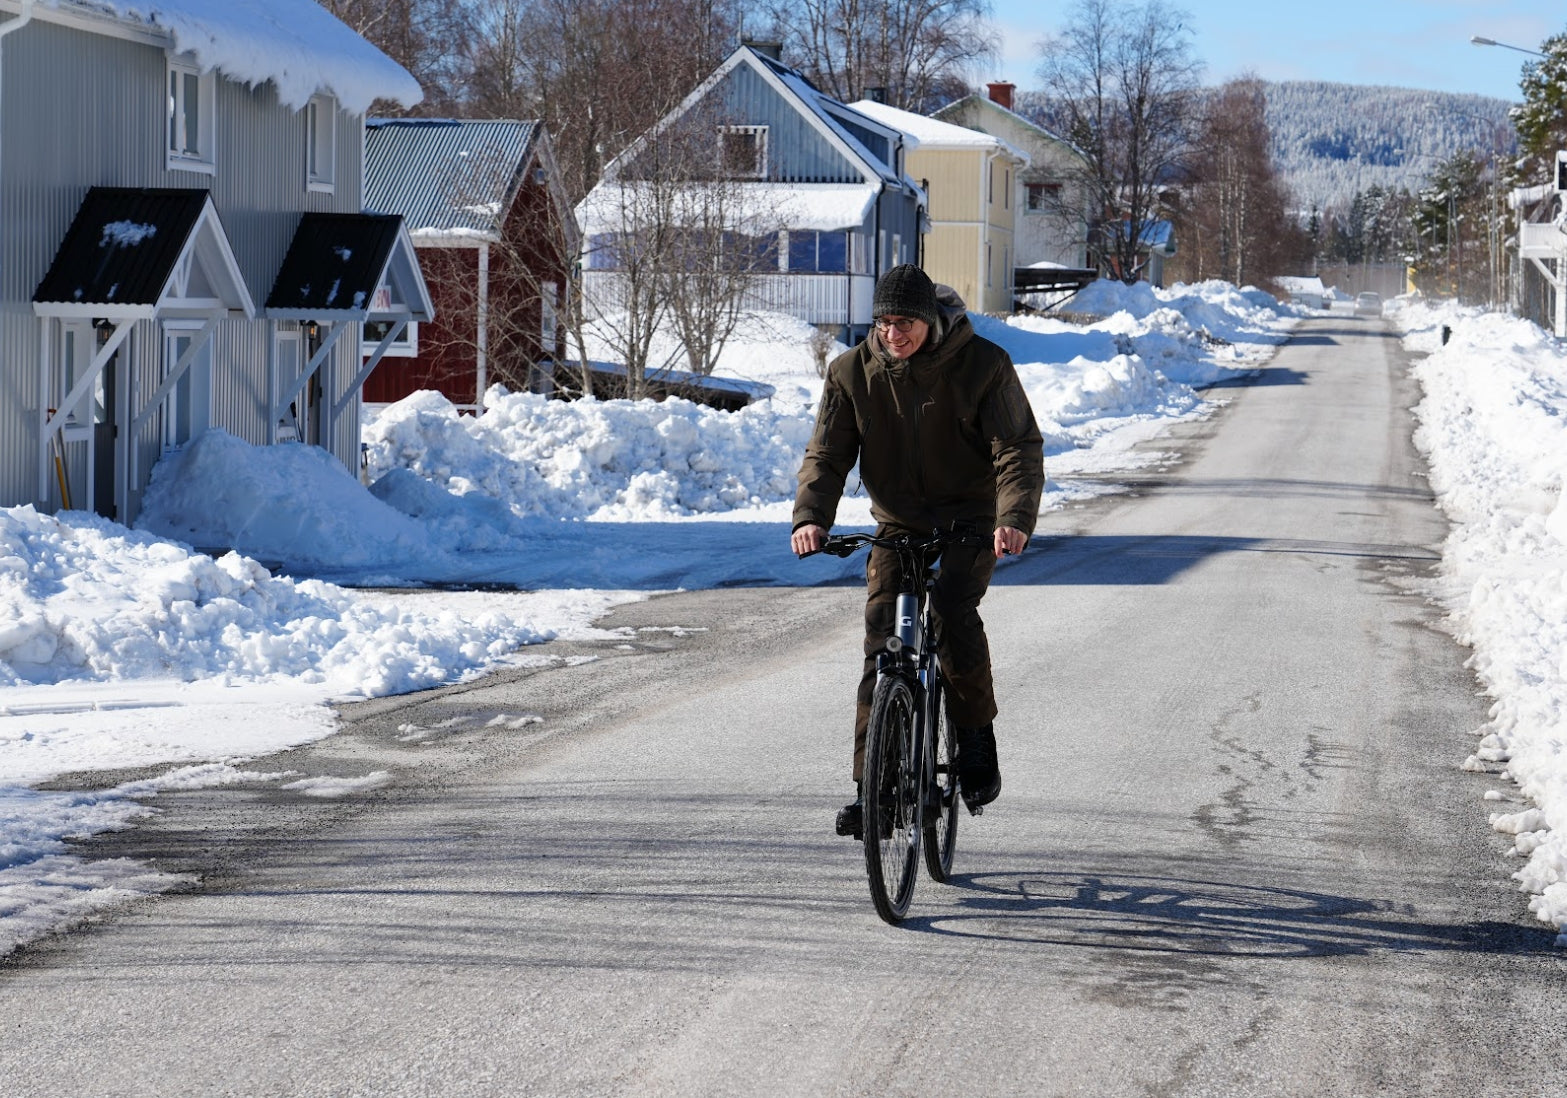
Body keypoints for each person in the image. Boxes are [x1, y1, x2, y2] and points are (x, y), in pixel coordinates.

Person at [791, 264, 1044, 838]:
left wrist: (1013, 518)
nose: (892, 334)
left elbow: (1016, 448)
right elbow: (827, 455)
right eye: (883, 322)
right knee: (882, 639)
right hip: (899, 521)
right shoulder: (851, 374)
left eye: (904, 322)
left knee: (953, 610)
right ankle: (872, 790)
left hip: (971, 518)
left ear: (928, 320)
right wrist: (811, 517)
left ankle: (976, 740)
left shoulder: (983, 365)